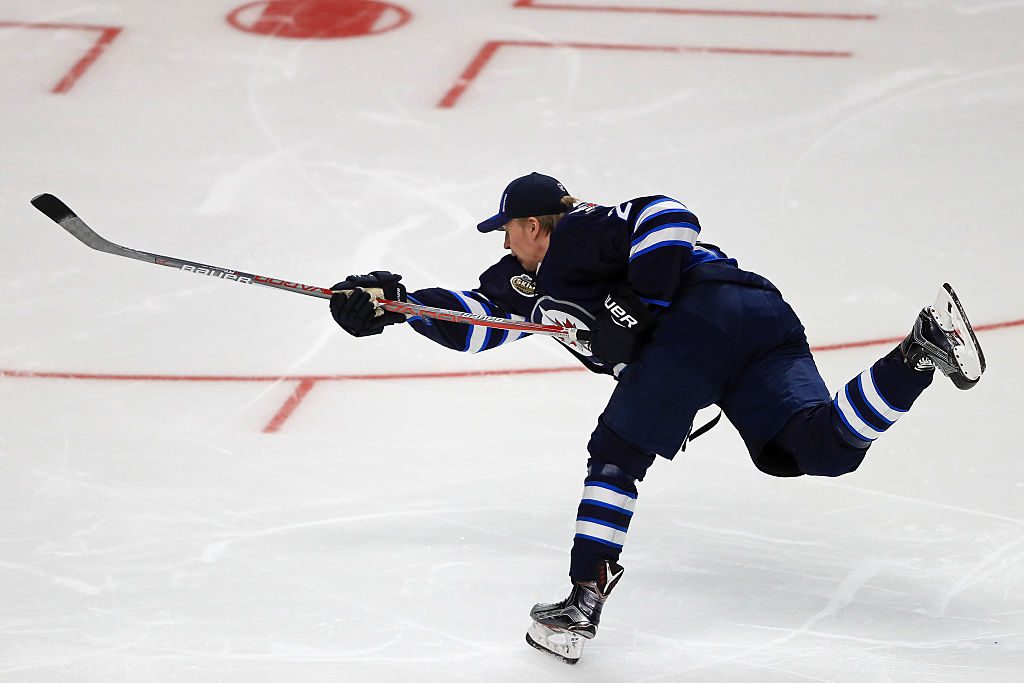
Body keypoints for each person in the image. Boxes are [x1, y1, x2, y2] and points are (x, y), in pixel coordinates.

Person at [328, 172, 987, 664]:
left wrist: (646, 299)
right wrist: (398, 305)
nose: (504, 242)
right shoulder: (530, 283)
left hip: (704, 317)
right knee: (815, 447)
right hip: (756, 320)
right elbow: (477, 321)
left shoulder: (579, 232)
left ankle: (583, 596)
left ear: (534, 223)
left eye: (506, 229)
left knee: (617, 446)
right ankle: (919, 351)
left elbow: (669, 214)